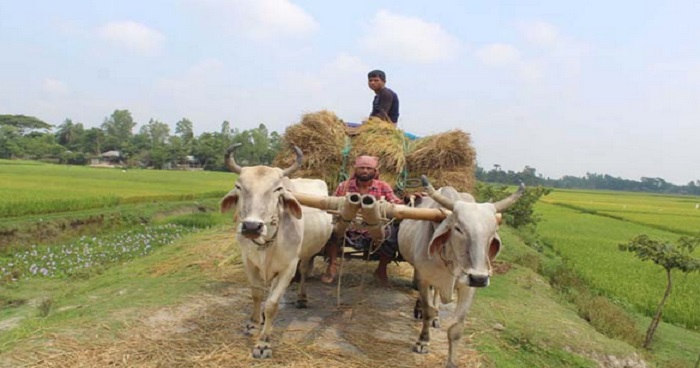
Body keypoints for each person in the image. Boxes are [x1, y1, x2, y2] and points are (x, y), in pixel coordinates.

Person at [322, 155, 404, 287]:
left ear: (375, 171)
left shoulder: (383, 186)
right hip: (347, 227)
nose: (365, 171)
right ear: (355, 170)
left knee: (392, 234)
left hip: (375, 228)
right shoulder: (344, 186)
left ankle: (381, 270)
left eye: (368, 168)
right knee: (329, 229)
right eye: (362, 168)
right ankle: (332, 264)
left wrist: (408, 199)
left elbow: (395, 203)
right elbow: (333, 204)